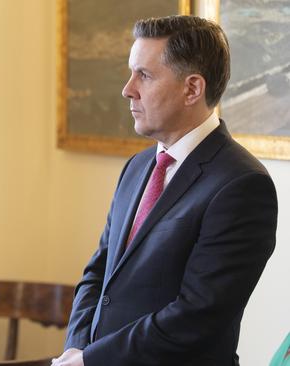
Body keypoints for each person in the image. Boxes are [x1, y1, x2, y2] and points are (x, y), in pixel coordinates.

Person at [51, 15, 277, 366]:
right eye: (131, 72)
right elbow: (98, 274)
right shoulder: (137, 167)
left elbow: (196, 315)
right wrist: (76, 348)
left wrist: (92, 361)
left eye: (144, 75)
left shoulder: (242, 185)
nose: (128, 88)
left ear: (192, 89)